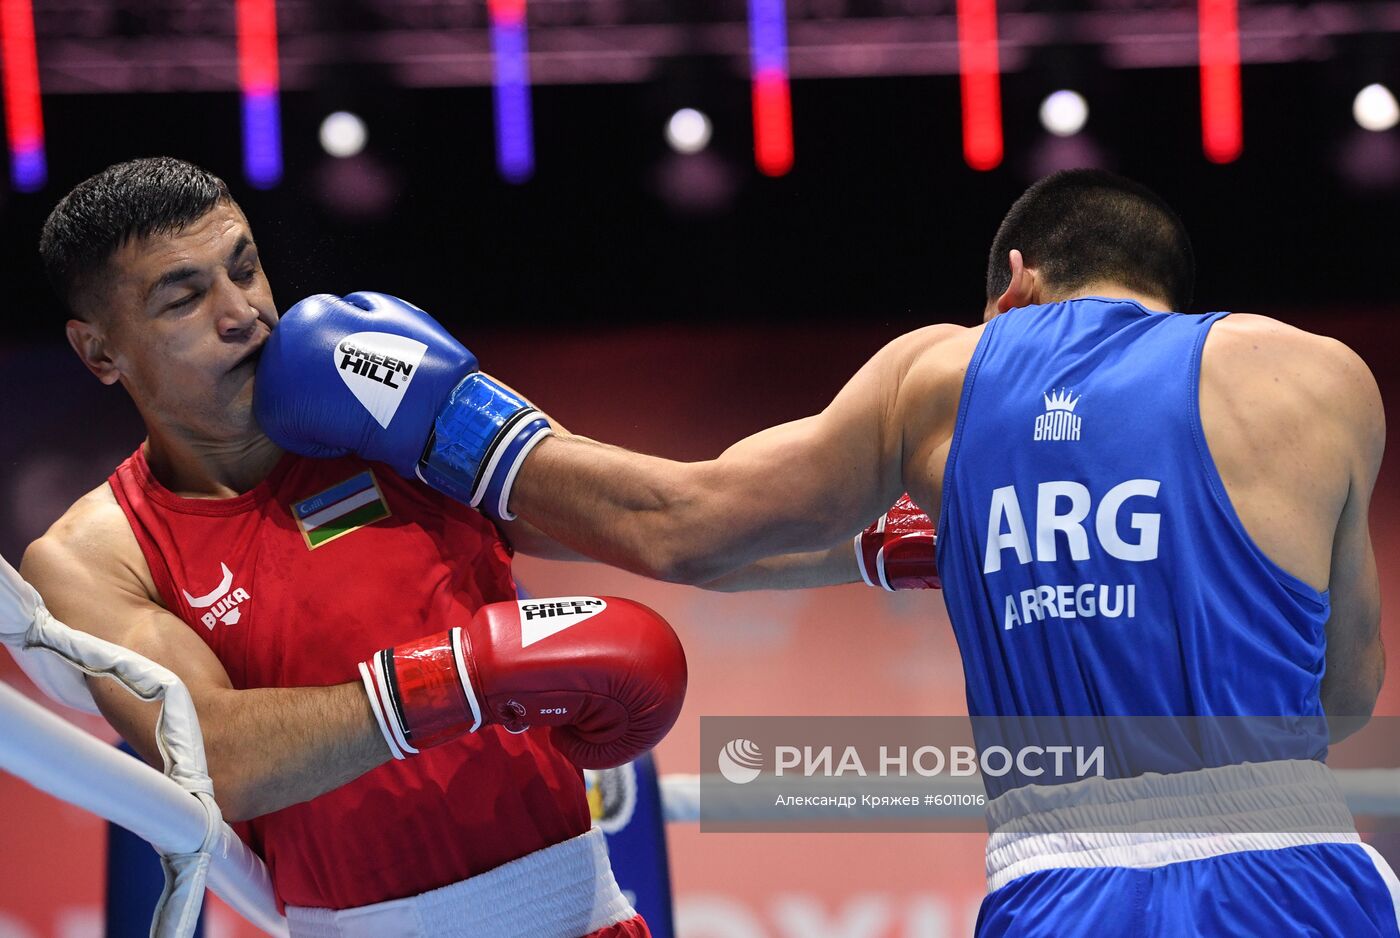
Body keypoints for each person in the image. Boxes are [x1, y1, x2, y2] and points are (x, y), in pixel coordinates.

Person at [256, 169, 1395, 934]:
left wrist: (441, 413)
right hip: (1300, 861)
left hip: (1068, 879)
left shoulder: (945, 372)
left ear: (1014, 286)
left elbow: (680, 521)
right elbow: (1343, 694)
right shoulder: (1320, 377)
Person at [18, 156, 689, 938]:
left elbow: (650, 516)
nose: (242, 314)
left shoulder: (382, 399)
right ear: (100, 352)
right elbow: (212, 757)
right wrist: (460, 676)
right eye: (185, 298)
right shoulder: (98, 552)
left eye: (245, 270)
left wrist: (851, 548)